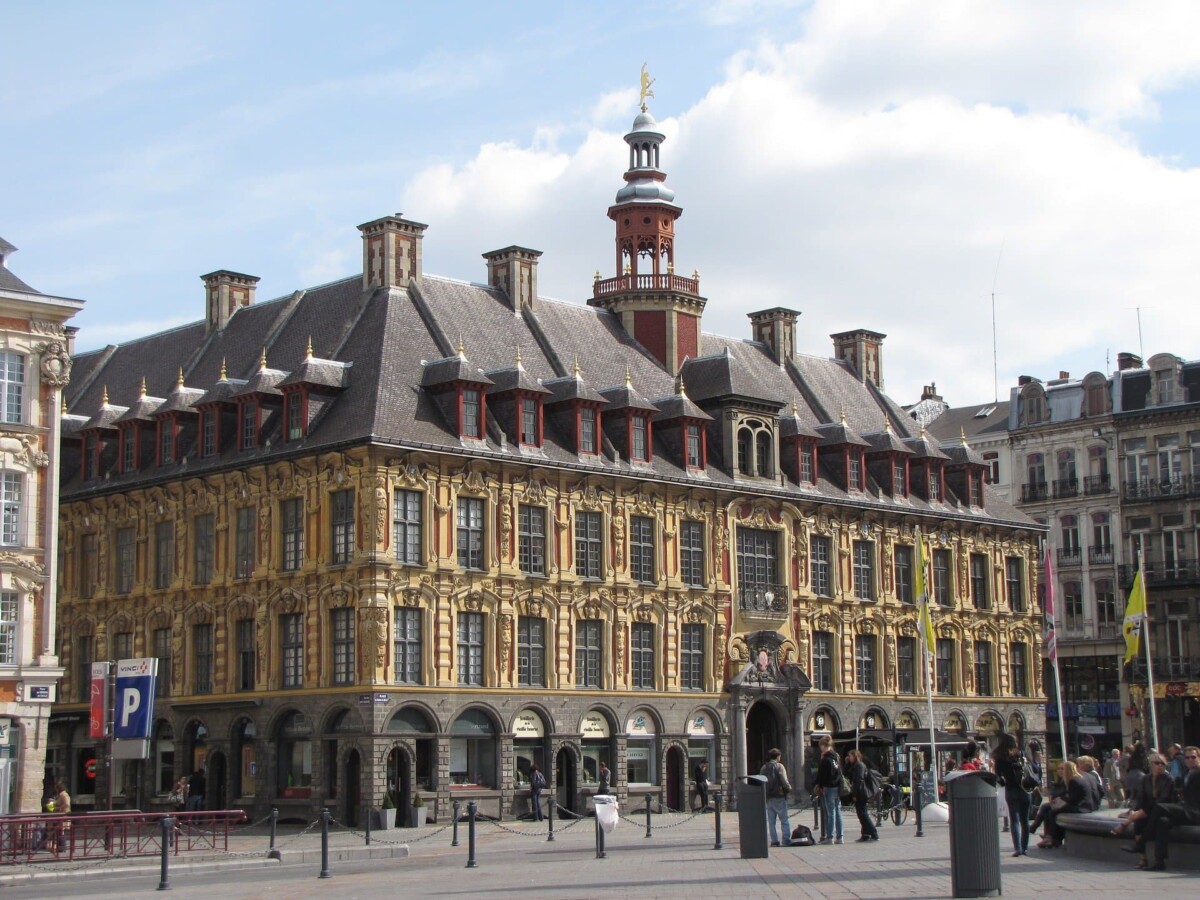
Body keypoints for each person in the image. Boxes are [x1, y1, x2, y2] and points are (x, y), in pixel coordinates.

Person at [1142, 745, 1200, 871]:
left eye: (1193, 757)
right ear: (1184, 760)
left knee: (1159, 807)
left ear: (1199, 758)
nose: (1190, 760)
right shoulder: (1186, 774)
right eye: (1187, 757)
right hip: (1186, 810)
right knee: (1163, 821)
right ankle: (1159, 861)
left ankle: (1143, 839)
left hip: (1195, 813)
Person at [1114, 751, 1176, 868]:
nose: (1160, 766)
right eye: (1157, 763)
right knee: (1139, 823)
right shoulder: (1145, 779)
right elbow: (1141, 798)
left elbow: (1163, 800)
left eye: (1162, 763)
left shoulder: (1168, 779)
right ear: (1151, 765)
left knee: (1158, 818)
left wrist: (1141, 812)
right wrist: (1134, 810)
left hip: (1163, 810)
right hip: (1148, 811)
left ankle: (1126, 826)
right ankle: (1143, 859)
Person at [1038, 759, 1096, 849]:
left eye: (1063, 769)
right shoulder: (1078, 777)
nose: (1061, 771)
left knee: (1053, 812)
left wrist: (1060, 800)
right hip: (1084, 805)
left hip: (1082, 807)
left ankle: (1050, 837)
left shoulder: (1073, 780)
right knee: (1051, 809)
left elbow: (1073, 799)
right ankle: (1050, 837)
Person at [993, 733, 1032, 856]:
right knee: (1025, 820)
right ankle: (1025, 848)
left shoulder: (1000, 757)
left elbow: (997, 775)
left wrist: (1003, 783)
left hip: (1011, 789)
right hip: (1025, 789)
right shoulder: (1021, 754)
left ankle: (1018, 848)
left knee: (1014, 820)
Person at [760, 747, 793, 847]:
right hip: (779, 796)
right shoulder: (780, 766)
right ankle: (786, 839)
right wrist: (789, 788)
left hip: (769, 797)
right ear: (778, 756)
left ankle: (774, 841)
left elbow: (761, 782)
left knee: (771, 821)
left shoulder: (764, 768)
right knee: (784, 820)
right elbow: (784, 781)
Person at [814, 735, 844, 844]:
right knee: (838, 812)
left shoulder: (825, 759)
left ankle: (829, 837)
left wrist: (819, 786)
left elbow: (822, 775)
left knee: (830, 813)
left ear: (823, 745)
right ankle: (840, 837)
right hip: (837, 787)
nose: (820, 748)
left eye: (821, 746)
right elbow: (839, 773)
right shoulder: (836, 757)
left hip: (829, 787)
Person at [845, 749, 879, 842]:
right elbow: (846, 772)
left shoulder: (859, 765)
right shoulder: (855, 765)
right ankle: (865, 834)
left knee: (863, 814)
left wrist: (855, 794)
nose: (849, 758)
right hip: (859, 792)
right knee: (861, 814)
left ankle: (873, 832)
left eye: (850, 756)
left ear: (855, 756)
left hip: (861, 793)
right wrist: (847, 762)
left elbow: (858, 781)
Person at [46, 781, 71, 852]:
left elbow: (67, 804)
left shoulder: (64, 795)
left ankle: (62, 848)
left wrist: (58, 808)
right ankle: (60, 847)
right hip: (59, 816)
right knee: (59, 831)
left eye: (56, 787)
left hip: (63, 816)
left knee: (62, 832)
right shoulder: (60, 795)